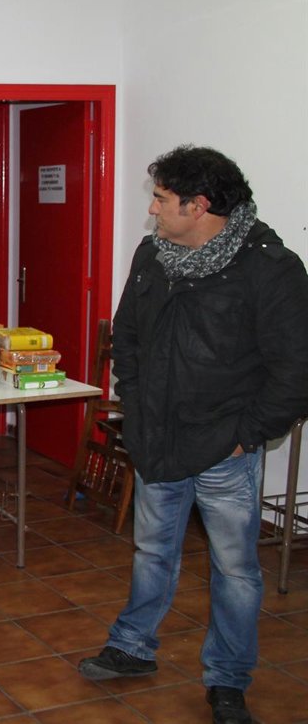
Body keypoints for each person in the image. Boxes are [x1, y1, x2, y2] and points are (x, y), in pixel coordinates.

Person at [77, 146, 308, 724]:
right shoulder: (152, 255)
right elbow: (128, 336)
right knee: (153, 550)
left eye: (161, 199)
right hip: (157, 437)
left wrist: (246, 435)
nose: (152, 210)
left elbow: (295, 371)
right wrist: (135, 403)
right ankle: (132, 647)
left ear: (198, 205)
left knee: (235, 570)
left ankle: (227, 680)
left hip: (225, 448)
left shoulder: (271, 268)